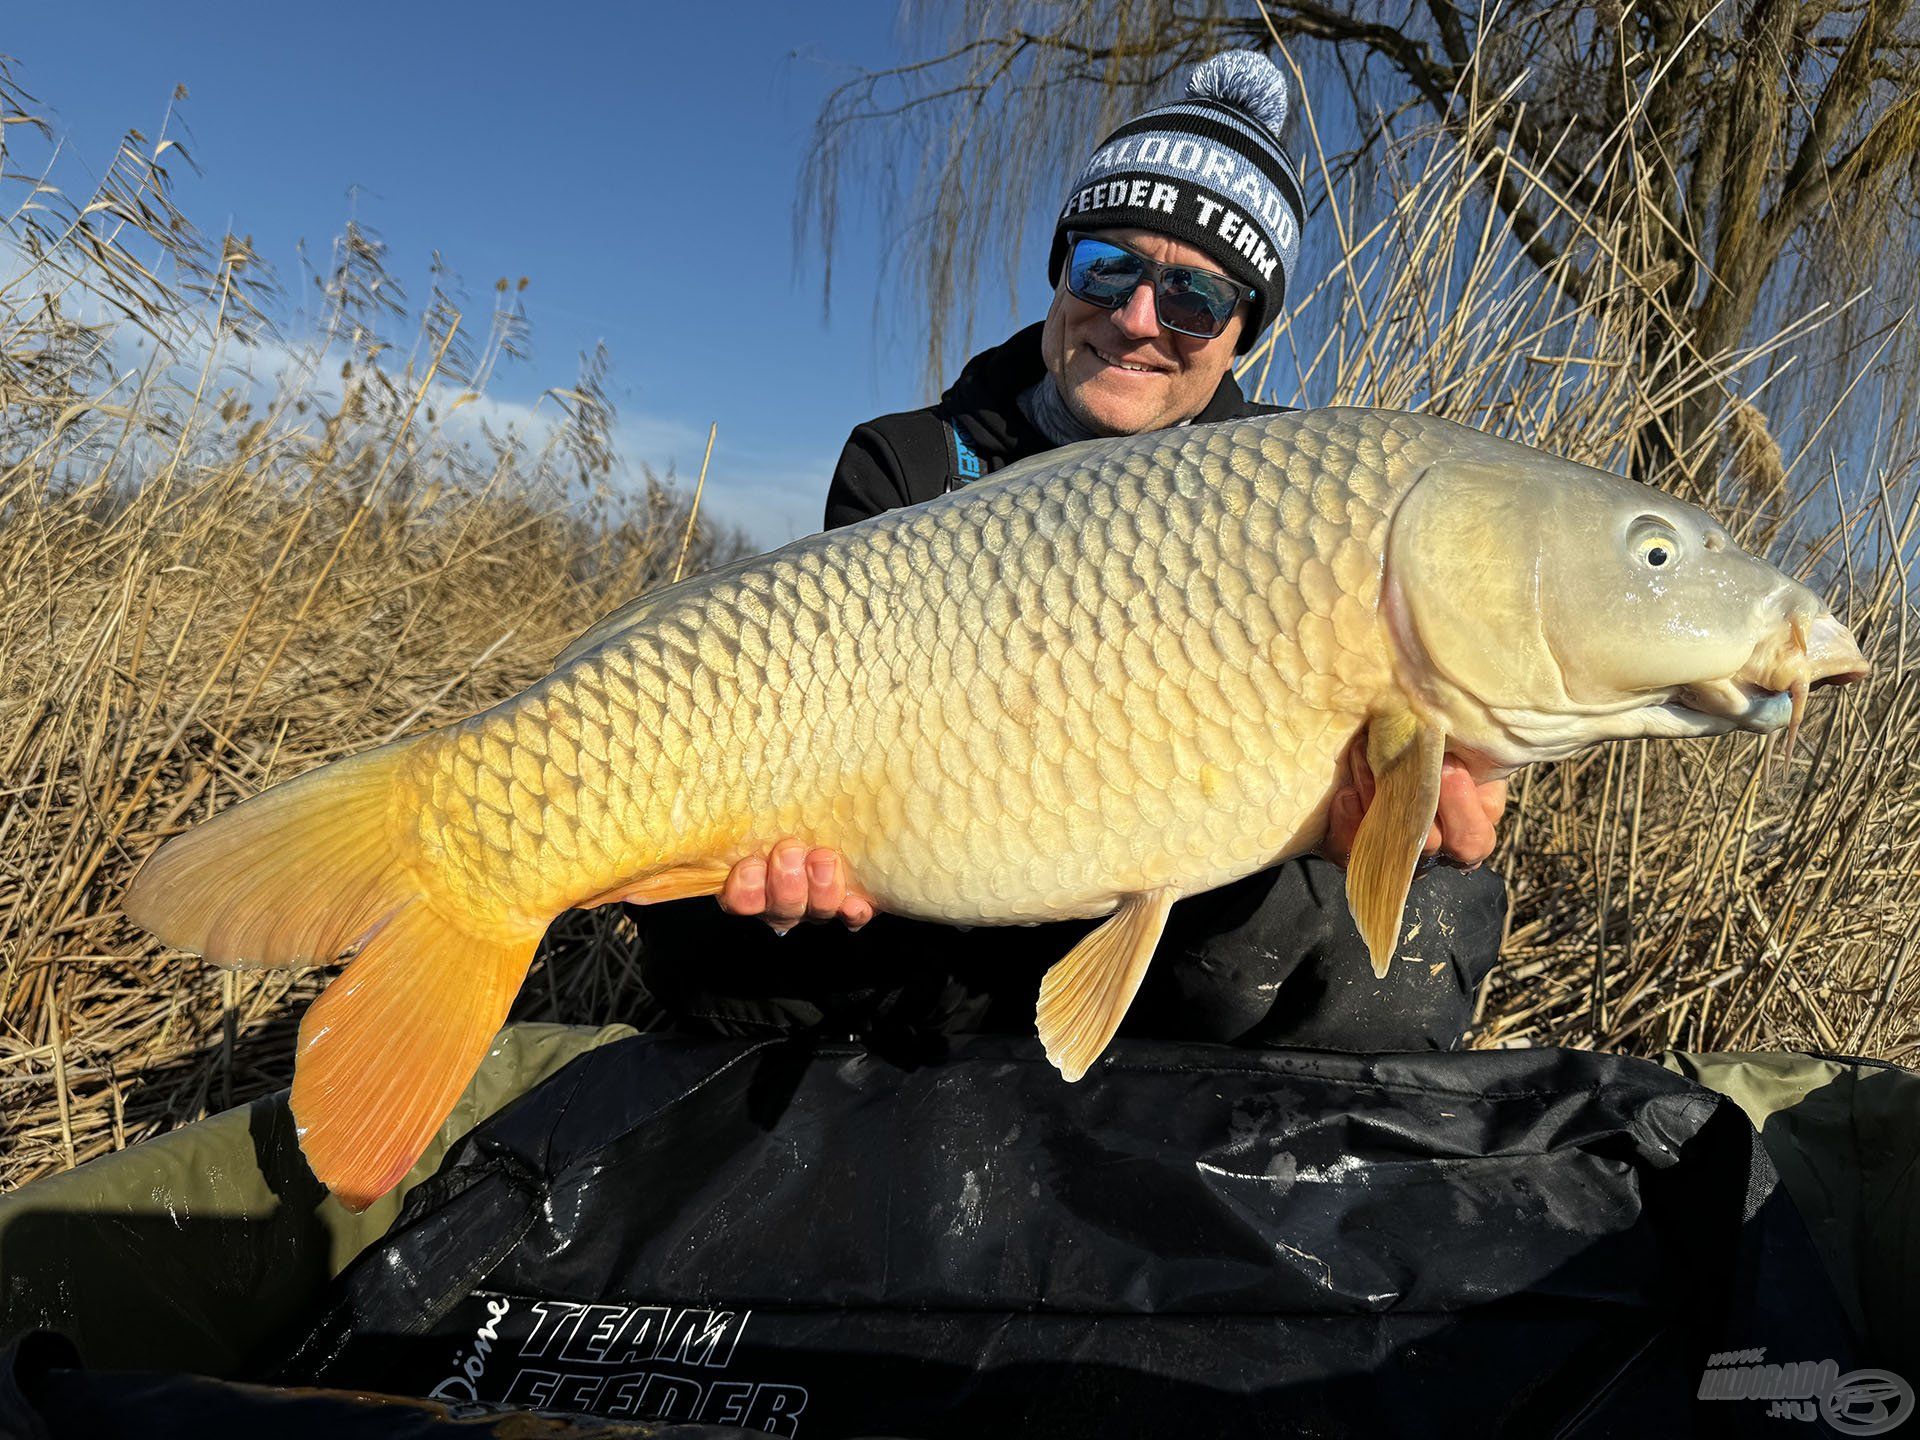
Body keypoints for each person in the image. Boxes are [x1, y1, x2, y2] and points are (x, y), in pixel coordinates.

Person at [636, 51, 1509, 1054]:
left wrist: (1394, 828)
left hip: (1177, 932)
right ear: (1062, 272)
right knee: (704, 917)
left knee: (1408, 929)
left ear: (1240, 337)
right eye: (1108, 267)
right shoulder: (908, 457)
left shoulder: (1308, 509)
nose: (1137, 319)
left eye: (1194, 299)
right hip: (927, 910)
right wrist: (789, 866)